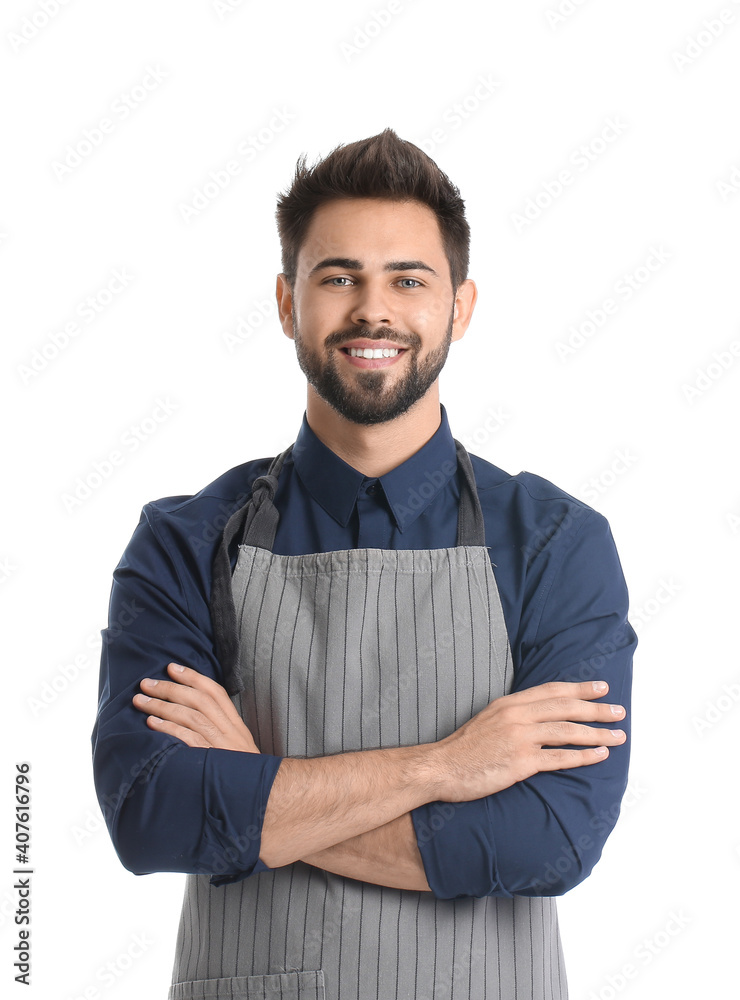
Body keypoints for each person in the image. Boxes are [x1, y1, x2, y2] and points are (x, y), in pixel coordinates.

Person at [92, 128, 636, 1000]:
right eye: (337, 277)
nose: (371, 311)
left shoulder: (553, 541)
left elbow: (552, 837)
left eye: (408, 280)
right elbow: (151, 812)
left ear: (458, 307)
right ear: (286, 303)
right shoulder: (188, 541)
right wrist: (447, 767)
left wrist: (257, 790)